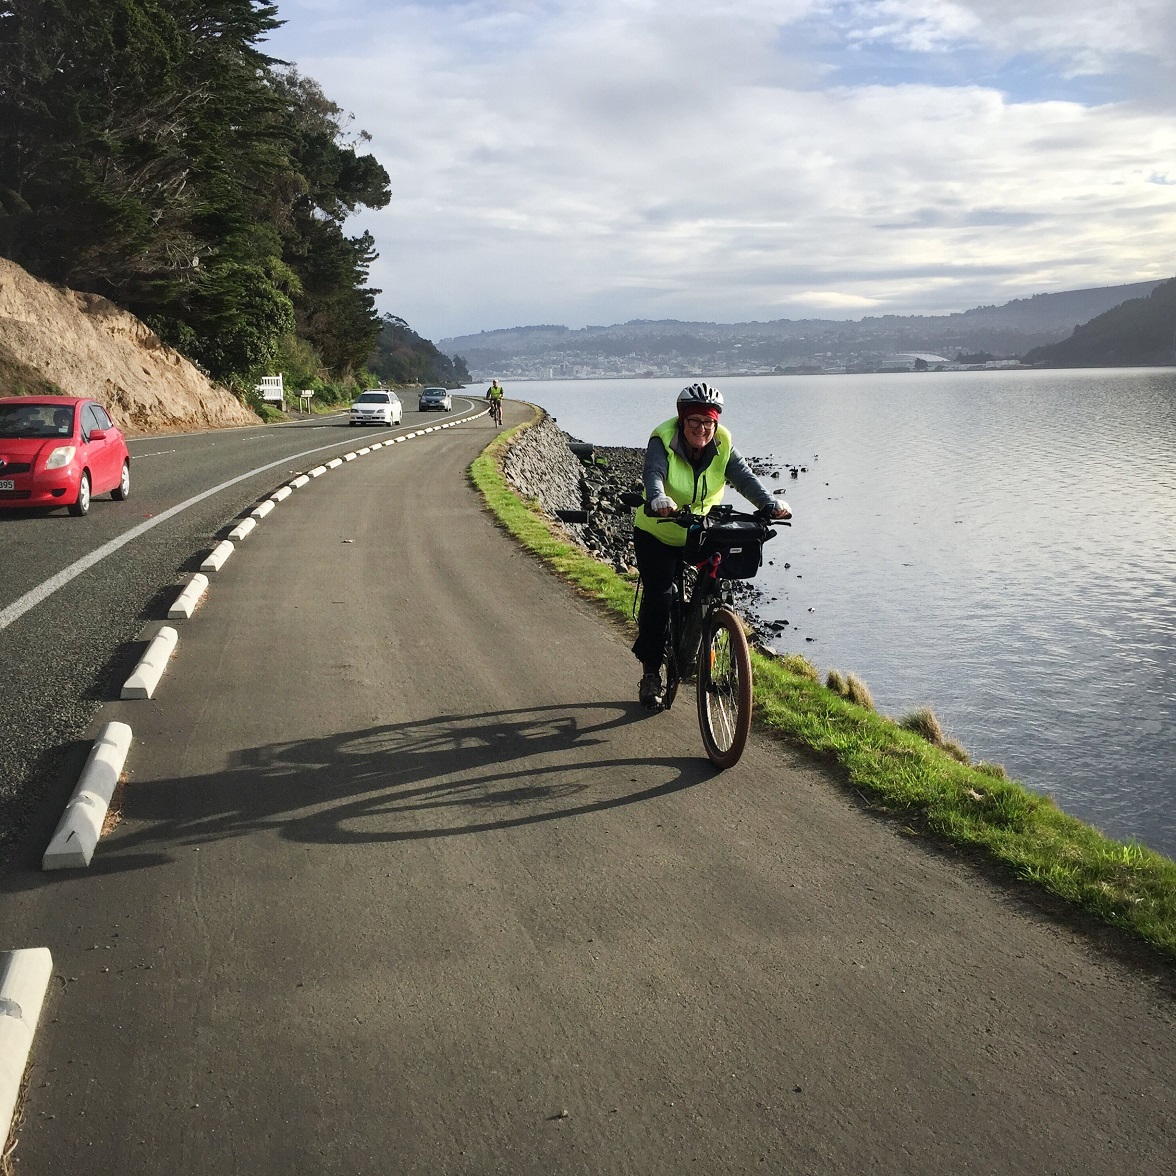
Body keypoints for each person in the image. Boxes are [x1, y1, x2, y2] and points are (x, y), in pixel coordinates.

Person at [632, 382, 791, 709]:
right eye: (695, 422)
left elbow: (744, 477)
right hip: (658, 531)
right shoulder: (663, 438)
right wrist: (658, 497)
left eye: (709, 423)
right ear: (682, 420)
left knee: (715, 587)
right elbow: (654, 473)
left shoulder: (722, 442)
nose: (702, 429)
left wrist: (768, 504)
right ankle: (650, 673)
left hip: (697, 530)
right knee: (660, 598)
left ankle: (711, 649)